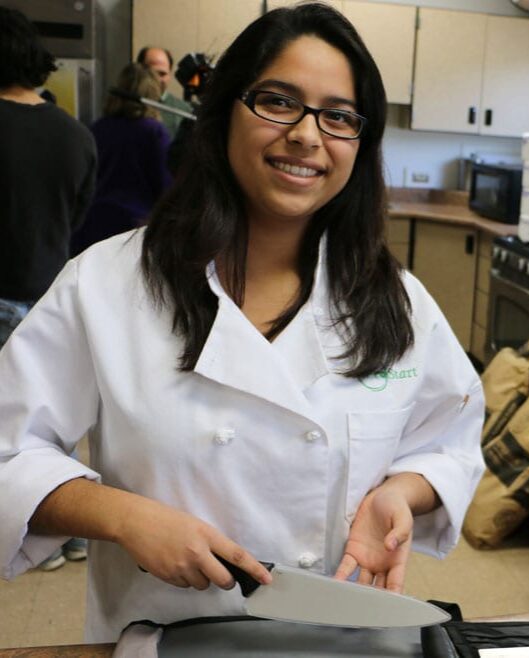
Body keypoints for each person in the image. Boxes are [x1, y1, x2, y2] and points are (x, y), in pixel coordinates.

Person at [0, 2, 485, 643]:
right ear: (225, 110)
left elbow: (448, 438)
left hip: (337, 644)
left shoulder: (395, 300)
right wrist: (121, 516)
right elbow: (10, 447)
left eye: (338, 115)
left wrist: (402, 492)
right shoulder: (109, 282)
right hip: (167, 638)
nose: (308, 135)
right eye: (278, 101)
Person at [0, 7, 97, 570]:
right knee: (52, 422)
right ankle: (71, 534)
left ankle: (19, 530)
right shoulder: (73, 134)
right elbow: (78, 213)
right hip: (47, 288)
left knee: (5, 430)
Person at [70, 63, 172, 255]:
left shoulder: (97, 129)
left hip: (93, 226)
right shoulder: (154, 132)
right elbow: (166, 187)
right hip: (136, 229)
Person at [136, 46, 192, 137]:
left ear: (169, 75)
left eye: (162, 74)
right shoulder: (125, 107)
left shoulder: (184, 111)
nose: (156, 79)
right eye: (151, 73)